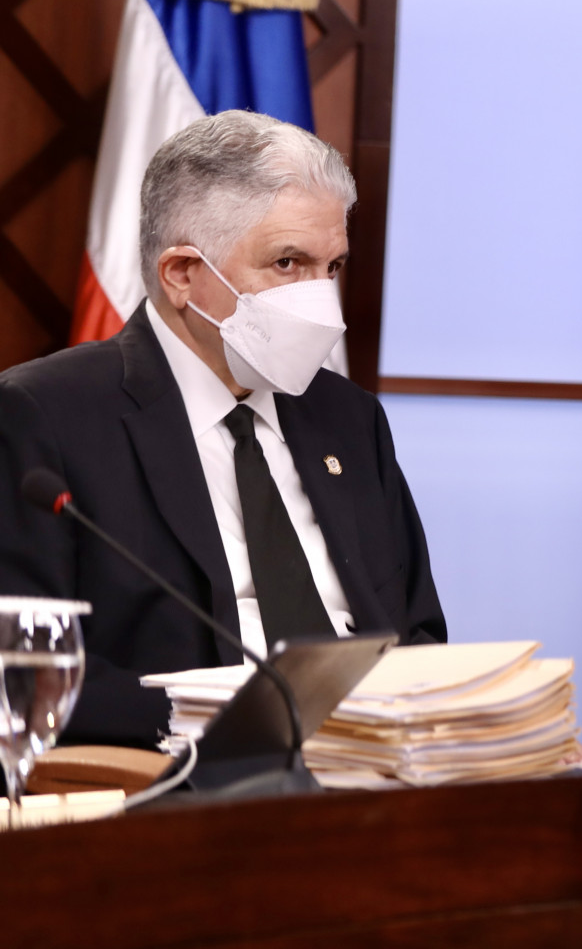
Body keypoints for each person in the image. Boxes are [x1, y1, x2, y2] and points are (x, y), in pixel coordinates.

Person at [0, 111, 444, 748]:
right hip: (180, 773)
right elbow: (27, 674)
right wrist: (232, 722)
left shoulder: (349, 417)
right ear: (182, 274)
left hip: (372, 765)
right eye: (287, 263)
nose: (320, 300)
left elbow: (419, 633)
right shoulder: (44, 415)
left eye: (333, 267)